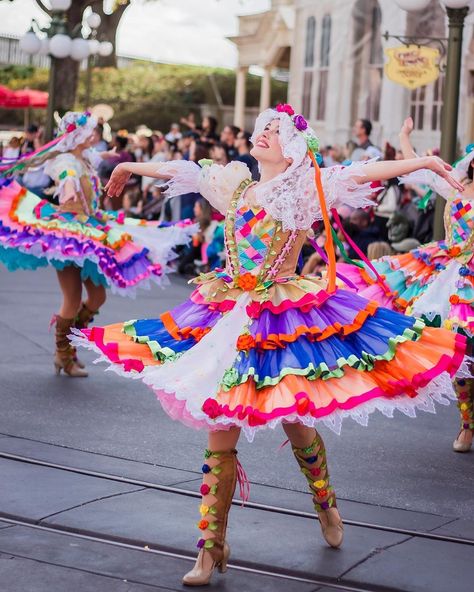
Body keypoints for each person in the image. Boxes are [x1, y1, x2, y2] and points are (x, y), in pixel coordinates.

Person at [73, 103, 466, 586]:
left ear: (293, 147)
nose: (264, 136)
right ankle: (210, 547)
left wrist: (422, 162)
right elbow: (187, 171)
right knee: (221, 423)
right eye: (263, 129)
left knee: (298, 425)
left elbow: (362, 170)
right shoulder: (235, 185)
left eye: (276, 132)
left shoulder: (303, 188)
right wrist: (131, 165)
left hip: (281, 316)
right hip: (228, 314)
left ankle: (326, 503)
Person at [0, 111, 194, 378]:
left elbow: (88, 163)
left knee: (97, 296)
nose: (94, 136)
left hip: (92, 227)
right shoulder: (67, 161)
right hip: (72, 235)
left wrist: (103, 156)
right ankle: (63, 354)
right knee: (72, 298)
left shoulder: (86, 157)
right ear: (76, 136)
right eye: (89, 132)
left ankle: (69, 344)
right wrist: (67, 186)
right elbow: (67, 174)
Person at [336, 116, 474, 453]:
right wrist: (404, 136)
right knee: (461, 353)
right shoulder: (456, 181)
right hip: (449, 274)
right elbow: (417, 170)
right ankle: (467, 424)